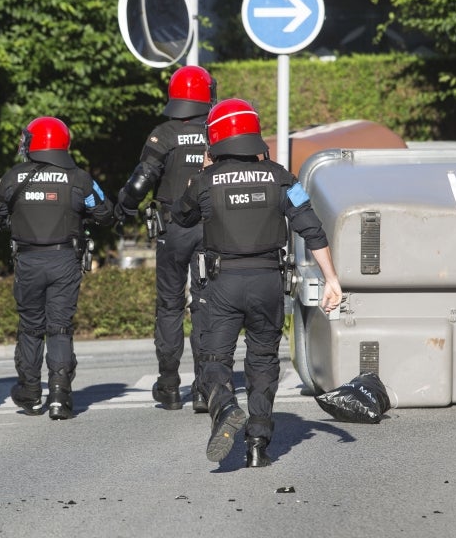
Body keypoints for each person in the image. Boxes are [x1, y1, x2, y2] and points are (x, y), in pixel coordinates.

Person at [170, 98, 343, 467]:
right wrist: (331, 280)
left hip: (222, 284)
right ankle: (258, 444)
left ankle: (225, 406)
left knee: (214, 358)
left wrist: (199, 176)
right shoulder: (281, 177)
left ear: (214, 137)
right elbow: (311, 228)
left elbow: (181, 218)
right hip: (268, 283)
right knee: (263, 360)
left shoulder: (206, 181)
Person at [0, 116, 113, 420]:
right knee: (60, 328)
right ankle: (60, 396)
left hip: (27, 260)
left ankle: (29, 392)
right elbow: (105, 213)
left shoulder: (13, 177)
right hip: (65, 259)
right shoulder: (79, 178)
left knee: (30, 328)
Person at [114, 65, 216, 413]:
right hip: (210, 231)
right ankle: (204, 389)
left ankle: (170, 386)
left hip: (172, 231)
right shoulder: (216, 133)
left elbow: (141, 181)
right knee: (205, 307)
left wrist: (123, 206)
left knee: (169, 307)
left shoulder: (164, 134)